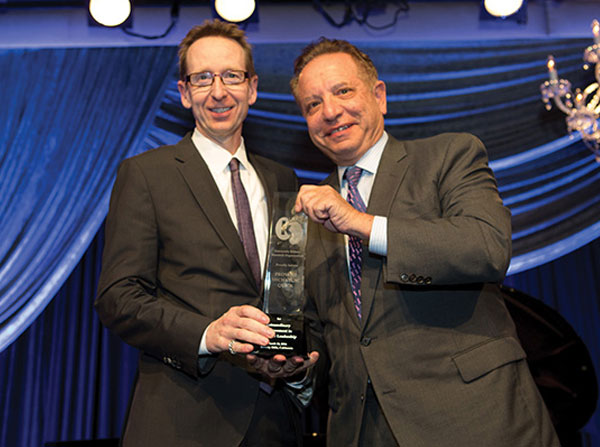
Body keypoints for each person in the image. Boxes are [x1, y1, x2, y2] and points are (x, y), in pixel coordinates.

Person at [291, 38, 559, 447]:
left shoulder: (448, 156)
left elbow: (487, 248)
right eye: (312, 104)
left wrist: (364, 224)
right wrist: (292, 364)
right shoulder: (306, 210)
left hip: (474, 420)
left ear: (379, 96)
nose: (329, 111)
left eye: (343, 91)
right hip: (363, 430)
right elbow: (324, 333)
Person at [95, 20, 317, 447]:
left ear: (252, 88)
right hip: (183, 419)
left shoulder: (283, 179)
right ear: (184, 92)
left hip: (276, 421)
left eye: (232, 76)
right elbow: (118, 297)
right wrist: (206, 333)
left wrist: (298, 358)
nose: (219, 92)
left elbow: (289, 292)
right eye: (202, 78)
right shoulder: (146, 175)